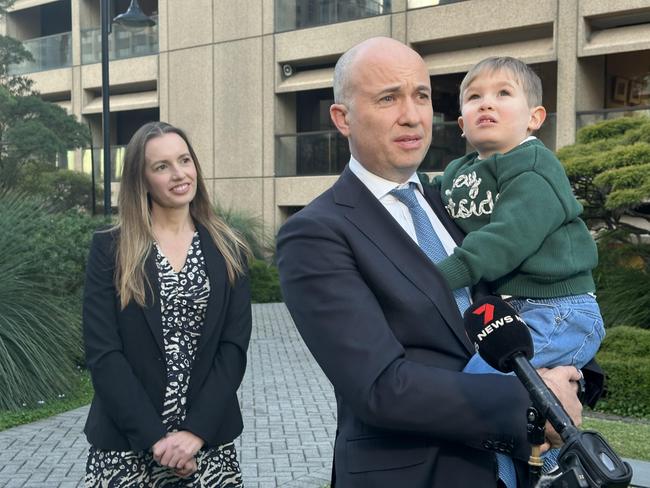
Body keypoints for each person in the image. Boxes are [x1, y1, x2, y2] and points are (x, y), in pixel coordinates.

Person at [276, 37, 592, 488]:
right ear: (342, 118)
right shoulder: (314, 233)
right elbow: (380, 388)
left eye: (421, 96)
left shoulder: (453, 200)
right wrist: (532, 403)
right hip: (416, 473)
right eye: (388, 98)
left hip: (509, 472)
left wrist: (572, 376)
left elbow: (526, 299)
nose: (412, 115)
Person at [426, 56, 605, 474]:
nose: (486, 104)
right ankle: (537, 470)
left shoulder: (534, 166)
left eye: (503, 94)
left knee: (482, 389)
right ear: (461, 122)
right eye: (474, 97)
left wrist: (437, 279)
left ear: (534, 117)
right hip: (515, 311)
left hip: (559, 309)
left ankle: (564, 472)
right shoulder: (458, 171)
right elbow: (430, 201)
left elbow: (504, 239)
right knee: (517, 409)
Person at [83, 121, 252, 487]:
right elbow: (103, 353)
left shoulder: (230, 249)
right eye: (162, 166)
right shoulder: (110, 250)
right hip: (126, 447)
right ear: (141, 180)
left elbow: (233, 349)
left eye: (184, 160)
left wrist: (194, 434)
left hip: (207, 444)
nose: (179, 174)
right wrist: (156, 441)